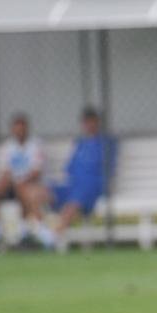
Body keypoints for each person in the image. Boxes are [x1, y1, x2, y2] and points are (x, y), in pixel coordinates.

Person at [0, 113, 55, 249]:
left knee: (23, 190)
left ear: (27, 129)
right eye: (17, 129)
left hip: (31, 186)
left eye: (22, 129)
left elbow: (36, 172)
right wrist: (5, 182)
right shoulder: (8, 147)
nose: (19, 132)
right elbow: (5, 171)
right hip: (11, 186)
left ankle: (35, 233)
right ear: (12, 130)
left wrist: (20, 181)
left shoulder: (36, 145)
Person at [50, 107, 116, 250]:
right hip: (74, 186)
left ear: (98, 122)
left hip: (93, 187)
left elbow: (108, 169)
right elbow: (69, 169)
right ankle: (37, 230)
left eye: (92, 121)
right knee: (43, 191)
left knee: (75, 200)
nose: (89, 125)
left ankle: (50, 238)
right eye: (86, 122)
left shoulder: (107, 143)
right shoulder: (80, 143)